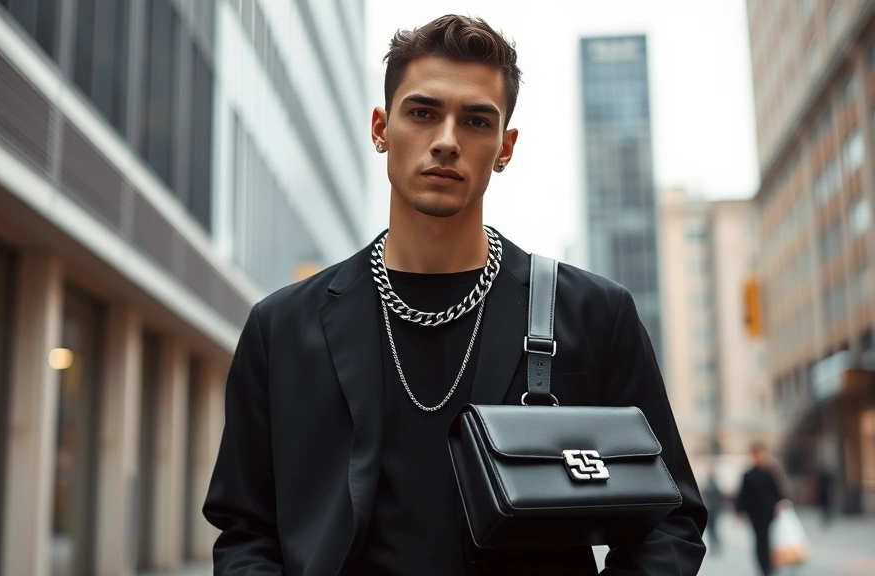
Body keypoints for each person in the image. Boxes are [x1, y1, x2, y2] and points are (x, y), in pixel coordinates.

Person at [203, 14, 707, 575]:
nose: (446, 141)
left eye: (475, 121)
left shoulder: (593, 315)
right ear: (380, 128)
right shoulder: (281, 328)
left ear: (505, 147)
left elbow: (672, 520)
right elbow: (246, 530)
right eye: (422, 113)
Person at [736, 442, 787, 576]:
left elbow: (778, 492)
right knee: (759, 540)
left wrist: (781, 503)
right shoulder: (748, 474)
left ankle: (770, 565)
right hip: (754, 513)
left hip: (769, 512)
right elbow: (742, 494)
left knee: (769, 540)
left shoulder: (770, 473)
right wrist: (739, 510)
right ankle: (763, 567)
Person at [702, 472, 724, 552]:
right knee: (713, 528)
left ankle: (714, 544)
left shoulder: (708, 487)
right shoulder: (715, 487)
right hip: (713, 510)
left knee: (712, 529)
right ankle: (715, 544)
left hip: (711, 510)